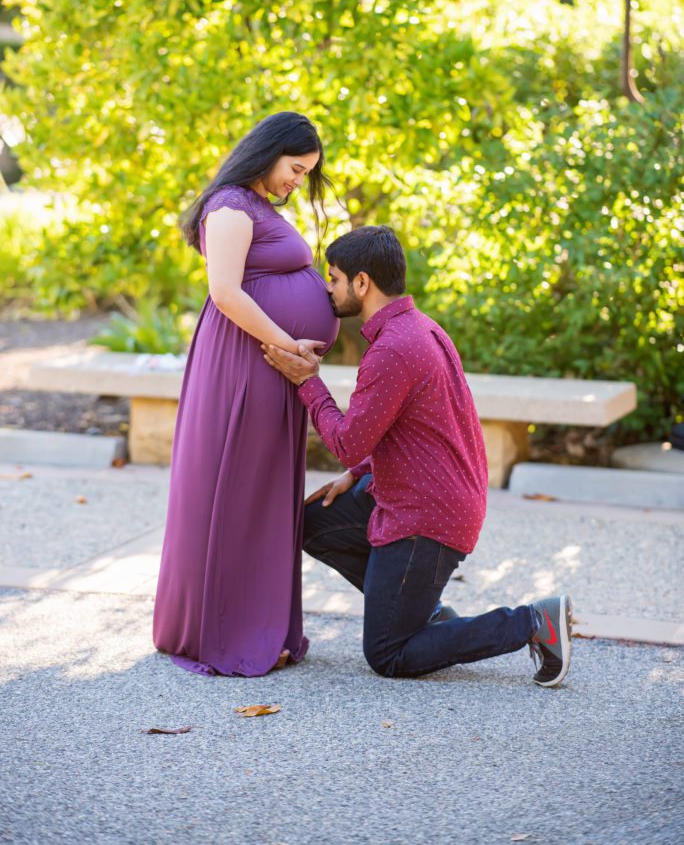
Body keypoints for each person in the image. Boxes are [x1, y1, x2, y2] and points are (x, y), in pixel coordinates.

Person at [262, 226, 572, 687]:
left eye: (334, 278)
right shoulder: (418, 328)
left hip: (427, 513)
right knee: (312, 524)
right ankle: (420, 608)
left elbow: (347, 440)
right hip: (408, 488)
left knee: (388, 652)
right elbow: (410, 427)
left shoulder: (393, 349)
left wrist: (308, 382)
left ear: (362, 283)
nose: (328, 289)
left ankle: (531, 623)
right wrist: (358, 472)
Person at [153, 112, 339, 676]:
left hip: (268, 365)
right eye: (295, 168)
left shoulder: (256, 206)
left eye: (306, 173)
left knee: (263, 492)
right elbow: (226, 292)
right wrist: (290, 347)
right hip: (246, 363)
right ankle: (227, 628)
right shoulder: (231, 206)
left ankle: (262, 624)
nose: (296, 182)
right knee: (240, 487)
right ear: (271, 152)